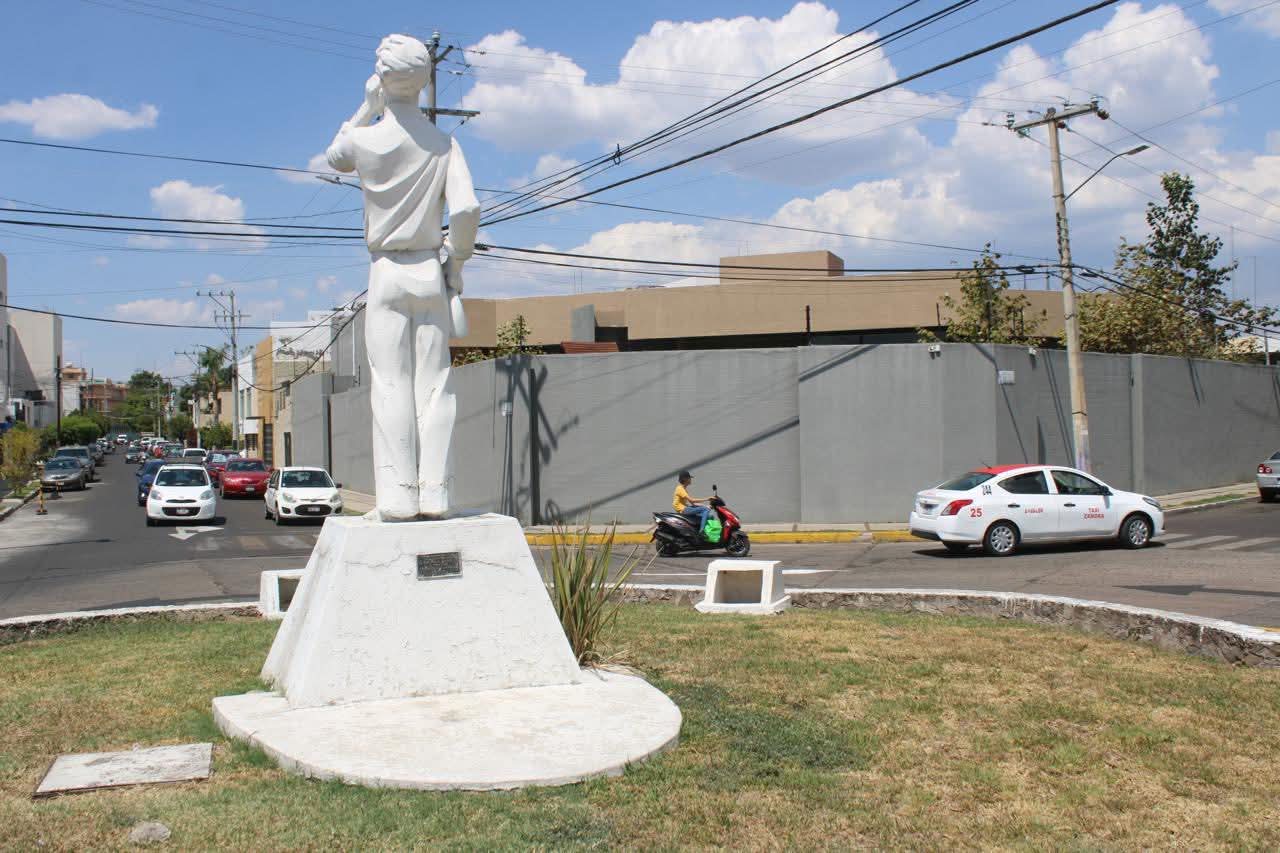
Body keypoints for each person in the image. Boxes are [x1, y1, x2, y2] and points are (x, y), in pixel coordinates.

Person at [325, 34, 481, 520]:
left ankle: (396, 496)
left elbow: (335, 155)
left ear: (383, 79)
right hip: (429, 272)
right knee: (434, 386)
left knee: (390, 383)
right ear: (424, 81)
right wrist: (454, 265)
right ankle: (436, 494)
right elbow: (467, 208)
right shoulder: (443, 144)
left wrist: (366, 106)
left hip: (387, 272)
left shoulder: (365, 139)